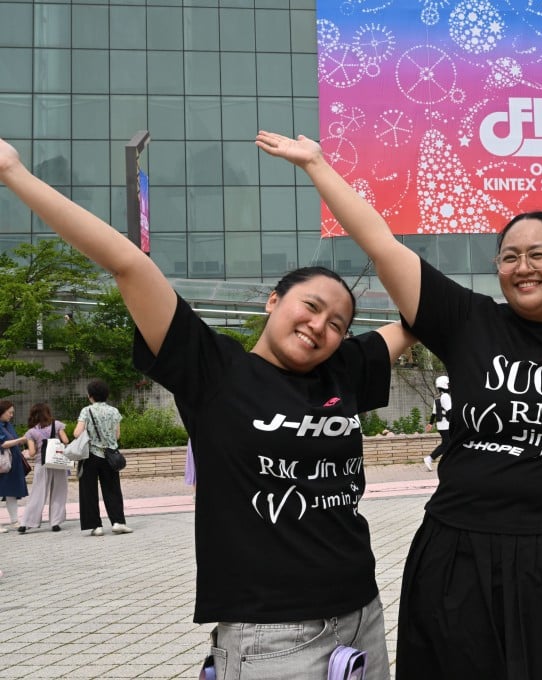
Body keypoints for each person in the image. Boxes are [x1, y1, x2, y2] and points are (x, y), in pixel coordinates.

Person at [0, 135, 415, 680]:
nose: (321, 326)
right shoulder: (214, 369)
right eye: (310, 307)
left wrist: (317, 164)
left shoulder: (346, 368)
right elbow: (127, 264)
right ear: (274, 301)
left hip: (362, 612)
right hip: (271, 633)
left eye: (338, 323)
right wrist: (14, 173)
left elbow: (421, 303)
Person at [256, 131, 542, 679]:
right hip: (459, 555)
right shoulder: (470, 320)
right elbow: (381, 243)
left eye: (538, 254)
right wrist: (318, 165)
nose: (523, 267)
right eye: (509, 257)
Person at [76, 379, 131, 536]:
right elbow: (117, 435)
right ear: (106, 394)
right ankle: (118, 522)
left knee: (89, 491)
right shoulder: (114, 411)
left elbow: (77, 433)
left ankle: (96, 526)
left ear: (90, 395)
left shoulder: (86, 411)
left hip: (90, 455)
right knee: (112, 489)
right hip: (109, 455)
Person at [20, 402, 71, 533]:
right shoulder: (57, 425)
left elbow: (31, 453)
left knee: (37, 493)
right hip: (58, 463)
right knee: (59, 492)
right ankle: (55, 522)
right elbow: (65, 441)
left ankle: (26, 522)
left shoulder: (31, 432)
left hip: (41, 464)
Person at [0, 400, 30, 532]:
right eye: (9, 412)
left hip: (11, 464)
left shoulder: (7, 425)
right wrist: (21, 440)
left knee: (11, 492)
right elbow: (3, 443)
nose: (11, 415)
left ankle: (14, 520)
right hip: (2, 464)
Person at [422, 375, 452, 472]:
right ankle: (430, 458)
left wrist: (430, 423)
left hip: (441, 425)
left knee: (448, 444)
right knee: (447, 444)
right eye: (448, 384)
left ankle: (447, 462)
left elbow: (434, 413)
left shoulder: (438, 397)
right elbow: (450, 412)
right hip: (447, 424)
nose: (450, 385)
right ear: (444, 385)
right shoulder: (446, 396)